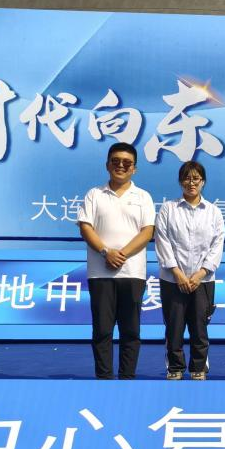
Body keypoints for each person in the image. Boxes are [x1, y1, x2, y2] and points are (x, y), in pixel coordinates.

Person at [76, 142, 156, 380]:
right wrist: (105, 252)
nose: (121, 166)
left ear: (134, 168)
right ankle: (104, 378)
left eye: (127, 163)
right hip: (101, 273)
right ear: (107, 165)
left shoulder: (143, 197)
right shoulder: (94, 194)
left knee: (130, 330)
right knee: (102, 329)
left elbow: (147, 232)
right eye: (116, 161)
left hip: (132, 273)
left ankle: (127, 378)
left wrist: (121, 254)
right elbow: (85, 227)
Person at [154, 160, 225, 380]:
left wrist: (201, 273)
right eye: (186, 178)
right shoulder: (168, 209)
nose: (191, 183)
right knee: (174, 327)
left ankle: (198, 367)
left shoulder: (213, 212)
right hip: (172, 279)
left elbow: (217, 245)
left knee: (200, 327)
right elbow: (162, 241)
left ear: (203, 182)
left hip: (203, 281)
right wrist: (177, 273)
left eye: (196, 178)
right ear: (180, 181)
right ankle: (175, 367)